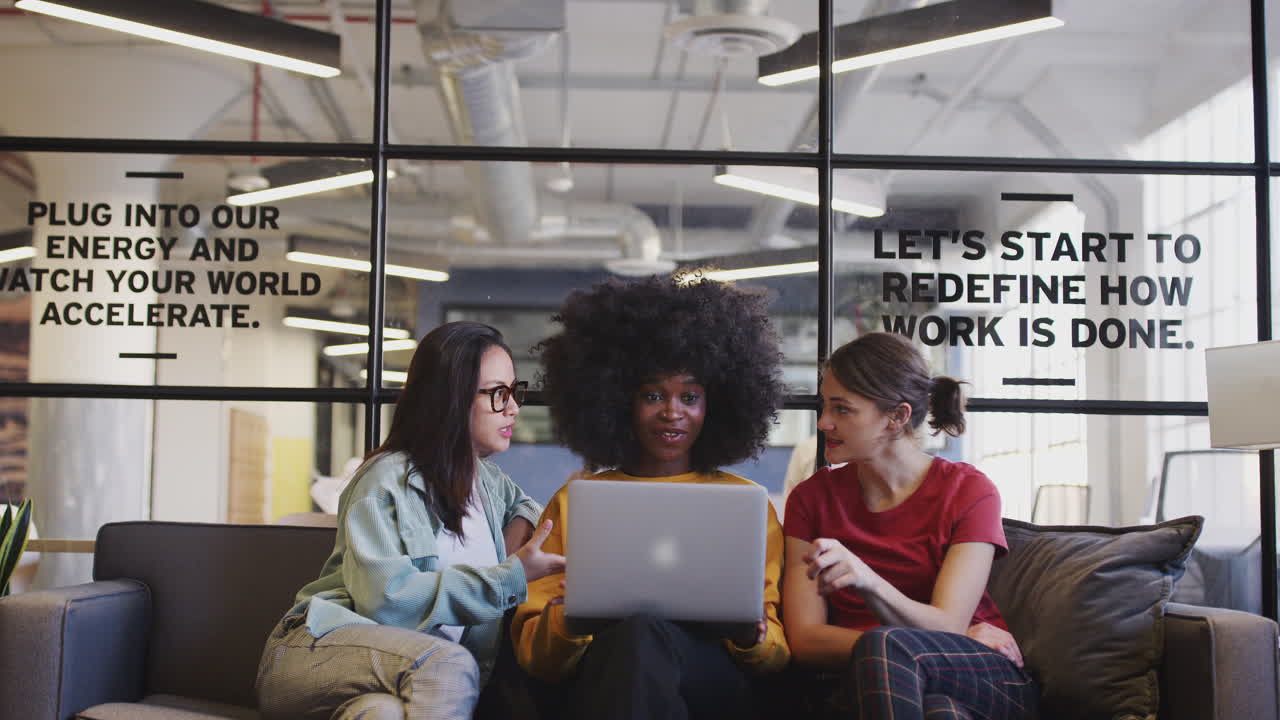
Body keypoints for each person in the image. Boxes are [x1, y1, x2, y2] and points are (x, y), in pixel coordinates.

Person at [511, 274, 791, 720]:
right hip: (608, 677)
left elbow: (776, 657)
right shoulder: (578, 501)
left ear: (715, 406)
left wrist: (752, 637)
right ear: (619, 401)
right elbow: (536, 661)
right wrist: (567, 623)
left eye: (691, 396)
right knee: (637, 638)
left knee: (644, 637)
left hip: (710, 685)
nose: (672, 412)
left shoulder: (746, 505)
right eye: (653, 394)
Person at [256, 321, 565, 720]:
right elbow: (388, 603)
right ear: (449, 398)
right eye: (497, 394)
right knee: (449, 664)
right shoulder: (385, 479)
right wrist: (509, 577)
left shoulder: (491, 485)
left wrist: (512, 550)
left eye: (514, 391)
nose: (513, 408)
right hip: (317, 654)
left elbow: (537, 512)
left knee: (382, 714)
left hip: (403, 678)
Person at [782, 332, 1038, 720]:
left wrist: (867, 581)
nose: (824, 422)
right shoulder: (811, 498)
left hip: (979, 670)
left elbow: (949, 623)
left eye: (842, 409)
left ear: (897, 417)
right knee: (940, 713)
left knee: (888, 649)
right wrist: (900, 647)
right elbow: (805, 639)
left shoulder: (969, 491)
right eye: (824, 406)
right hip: (871, 682)